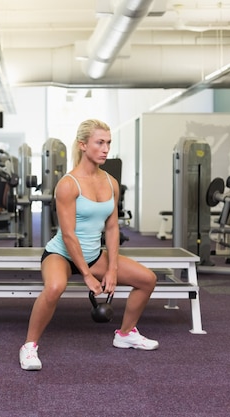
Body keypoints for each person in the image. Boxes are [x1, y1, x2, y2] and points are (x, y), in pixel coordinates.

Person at [19, 119, 158, 371]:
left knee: (147, 279)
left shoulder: (111, 182)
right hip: (61, 253)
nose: (106, 149)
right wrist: (86, 275)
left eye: (108, 143)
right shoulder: (68, 184)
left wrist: (112, 268)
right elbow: (69, 234)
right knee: (54, 287)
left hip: (94, 253)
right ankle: (29, 346)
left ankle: (125, 334)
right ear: (83, 145)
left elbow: (113, 227)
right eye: (100, 143)